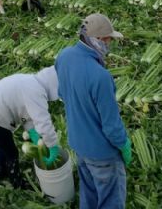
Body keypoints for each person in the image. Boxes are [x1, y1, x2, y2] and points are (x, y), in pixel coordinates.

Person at [56, 14, 131, 209]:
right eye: (108, 39)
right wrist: (123, 145)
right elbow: (111, 126)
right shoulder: (101, 77)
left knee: (89, 193)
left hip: (78, 144)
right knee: (110, 201)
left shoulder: (63, 57)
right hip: (102, 153)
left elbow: (62, 93)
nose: (109, 44)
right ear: (98, 40)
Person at [0, 66, 60, 188]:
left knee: (4, 144)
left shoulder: (31, 82)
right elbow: (43, 122)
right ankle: (17, 182)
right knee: (11, 152)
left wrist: (32, 132)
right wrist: (53, 146)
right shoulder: (36, 92)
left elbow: (25, 112)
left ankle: (1, 170)